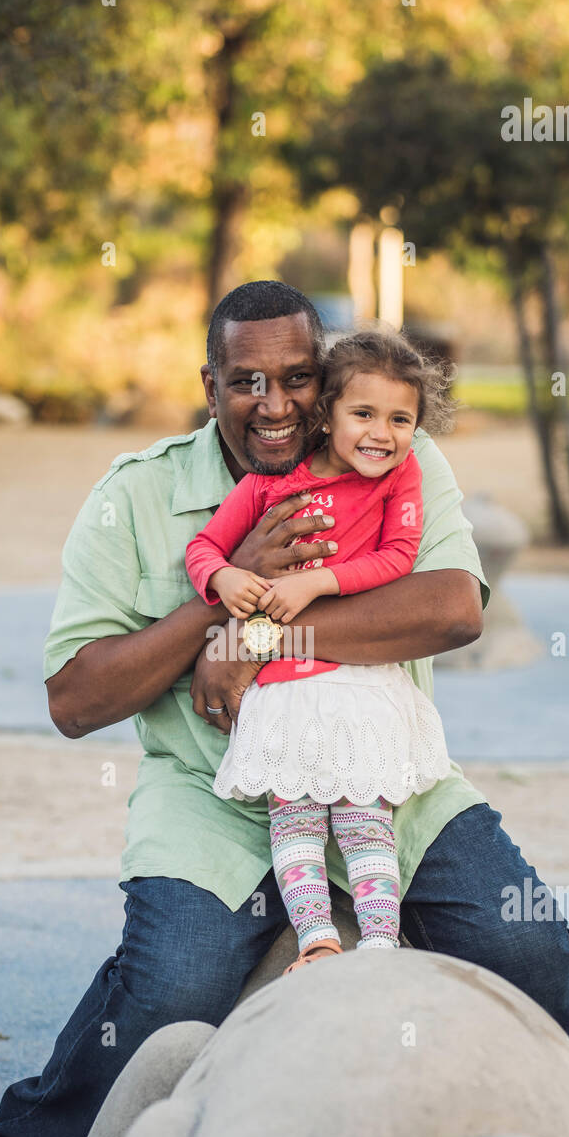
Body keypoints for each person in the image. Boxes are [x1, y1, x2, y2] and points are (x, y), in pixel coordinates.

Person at [0, 281, 569, 1137]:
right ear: (209, 385)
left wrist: (256, 635)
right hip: (214, 791)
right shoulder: (137, 496)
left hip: (383, 772)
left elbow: (450, 609)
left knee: (525, 952)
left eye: (297, 378)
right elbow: (74, 700)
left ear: (326, 380)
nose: (275, 404)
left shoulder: (396, 454)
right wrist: (206, 620)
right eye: (247, 382)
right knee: (170, 991)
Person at [185, 327, 453, 968]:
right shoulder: (268, 484)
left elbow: (399, 556)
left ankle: (381, 945)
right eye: (363, 414)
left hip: (358, 686)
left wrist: (317, 582)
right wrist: (224, 578)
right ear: (327, 412)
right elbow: (203, 548)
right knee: (296, 824)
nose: (381, 434)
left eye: (400, 419)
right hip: (284, 692)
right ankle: (319, 942)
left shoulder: (400, 477)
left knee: (366, 823)